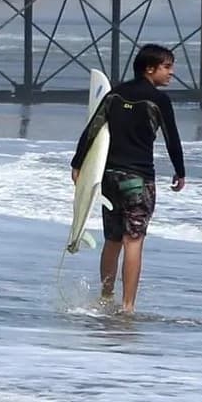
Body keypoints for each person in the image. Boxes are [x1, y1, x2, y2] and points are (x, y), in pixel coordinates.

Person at [71, 44, 186, 312]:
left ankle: (105, 296)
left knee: (112, 240)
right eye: (167, 67)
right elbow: (172, 139)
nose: (172, 73)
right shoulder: (158, 100)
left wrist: (77, 164)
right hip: (138, 179)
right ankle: (128, 306)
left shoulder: (115, 94)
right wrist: (180, 171)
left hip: (109, 177)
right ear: (150, 68)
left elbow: (92, 129)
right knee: (133, 240)